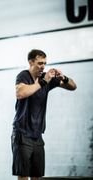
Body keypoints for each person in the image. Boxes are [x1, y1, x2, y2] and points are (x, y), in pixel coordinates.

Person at [11, 49, 77, 180]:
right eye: (40, 63)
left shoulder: (46, 78)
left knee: (37, 176)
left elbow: (73, 86)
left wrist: (64, 78)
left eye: (45, 63)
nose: (43, 66)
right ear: (30, 62)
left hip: (37, 135)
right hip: (22, 133)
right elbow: (20, 93)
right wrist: (43, 82)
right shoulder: (23, 75)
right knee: (23, 175)